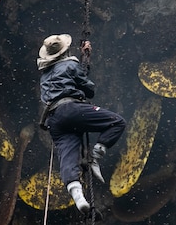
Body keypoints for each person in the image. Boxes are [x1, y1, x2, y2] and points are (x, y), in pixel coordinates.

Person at [38, 34, 126, 214]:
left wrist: (83, 63)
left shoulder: (44, 76)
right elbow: (89, 90)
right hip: (72, 110)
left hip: (54, 119)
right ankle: (95, 155)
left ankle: (78, 196)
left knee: (68, 155)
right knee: (117, 122)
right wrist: (83, 63)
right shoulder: (70, 65)